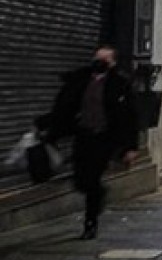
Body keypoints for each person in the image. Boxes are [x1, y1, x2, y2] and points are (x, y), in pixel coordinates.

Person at [37, 46, 139, 240]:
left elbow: (129, 118)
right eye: (97, 58)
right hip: (83, 136)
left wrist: (130, 147)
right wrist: (48, 127)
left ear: (112, 63)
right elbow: (63, 108)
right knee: (81, 180)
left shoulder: (120, 85)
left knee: (92, 178)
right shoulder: (79, 81)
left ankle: (90, 223)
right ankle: (98, 193)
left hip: (105, 139)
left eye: (105, 59)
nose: (99, 62)